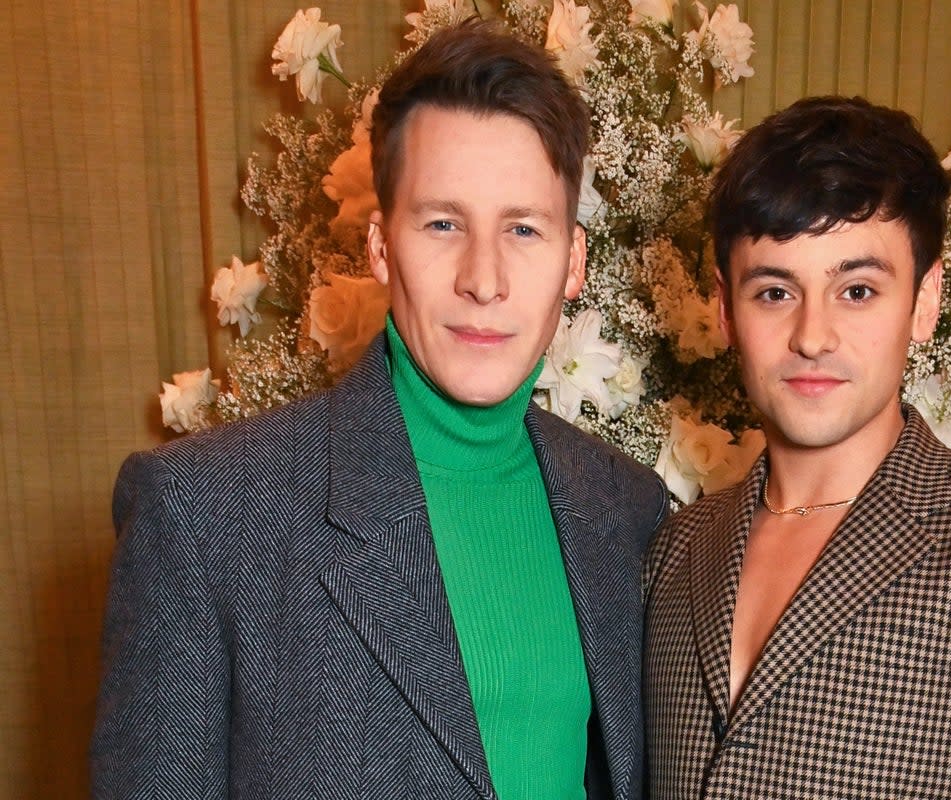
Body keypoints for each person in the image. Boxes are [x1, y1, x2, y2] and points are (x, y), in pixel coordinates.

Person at [92, 21, 668, 800]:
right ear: (380, 248)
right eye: (442, 224)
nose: (485, 280)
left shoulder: (627, 507)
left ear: (574, 262)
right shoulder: (206, 514)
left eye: (523, 230)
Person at [643, 96, 951, 798]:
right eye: (775, 292)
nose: (813, 336)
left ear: (924, 301)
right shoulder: (675, 550)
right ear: (724, 310)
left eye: (858, 290)